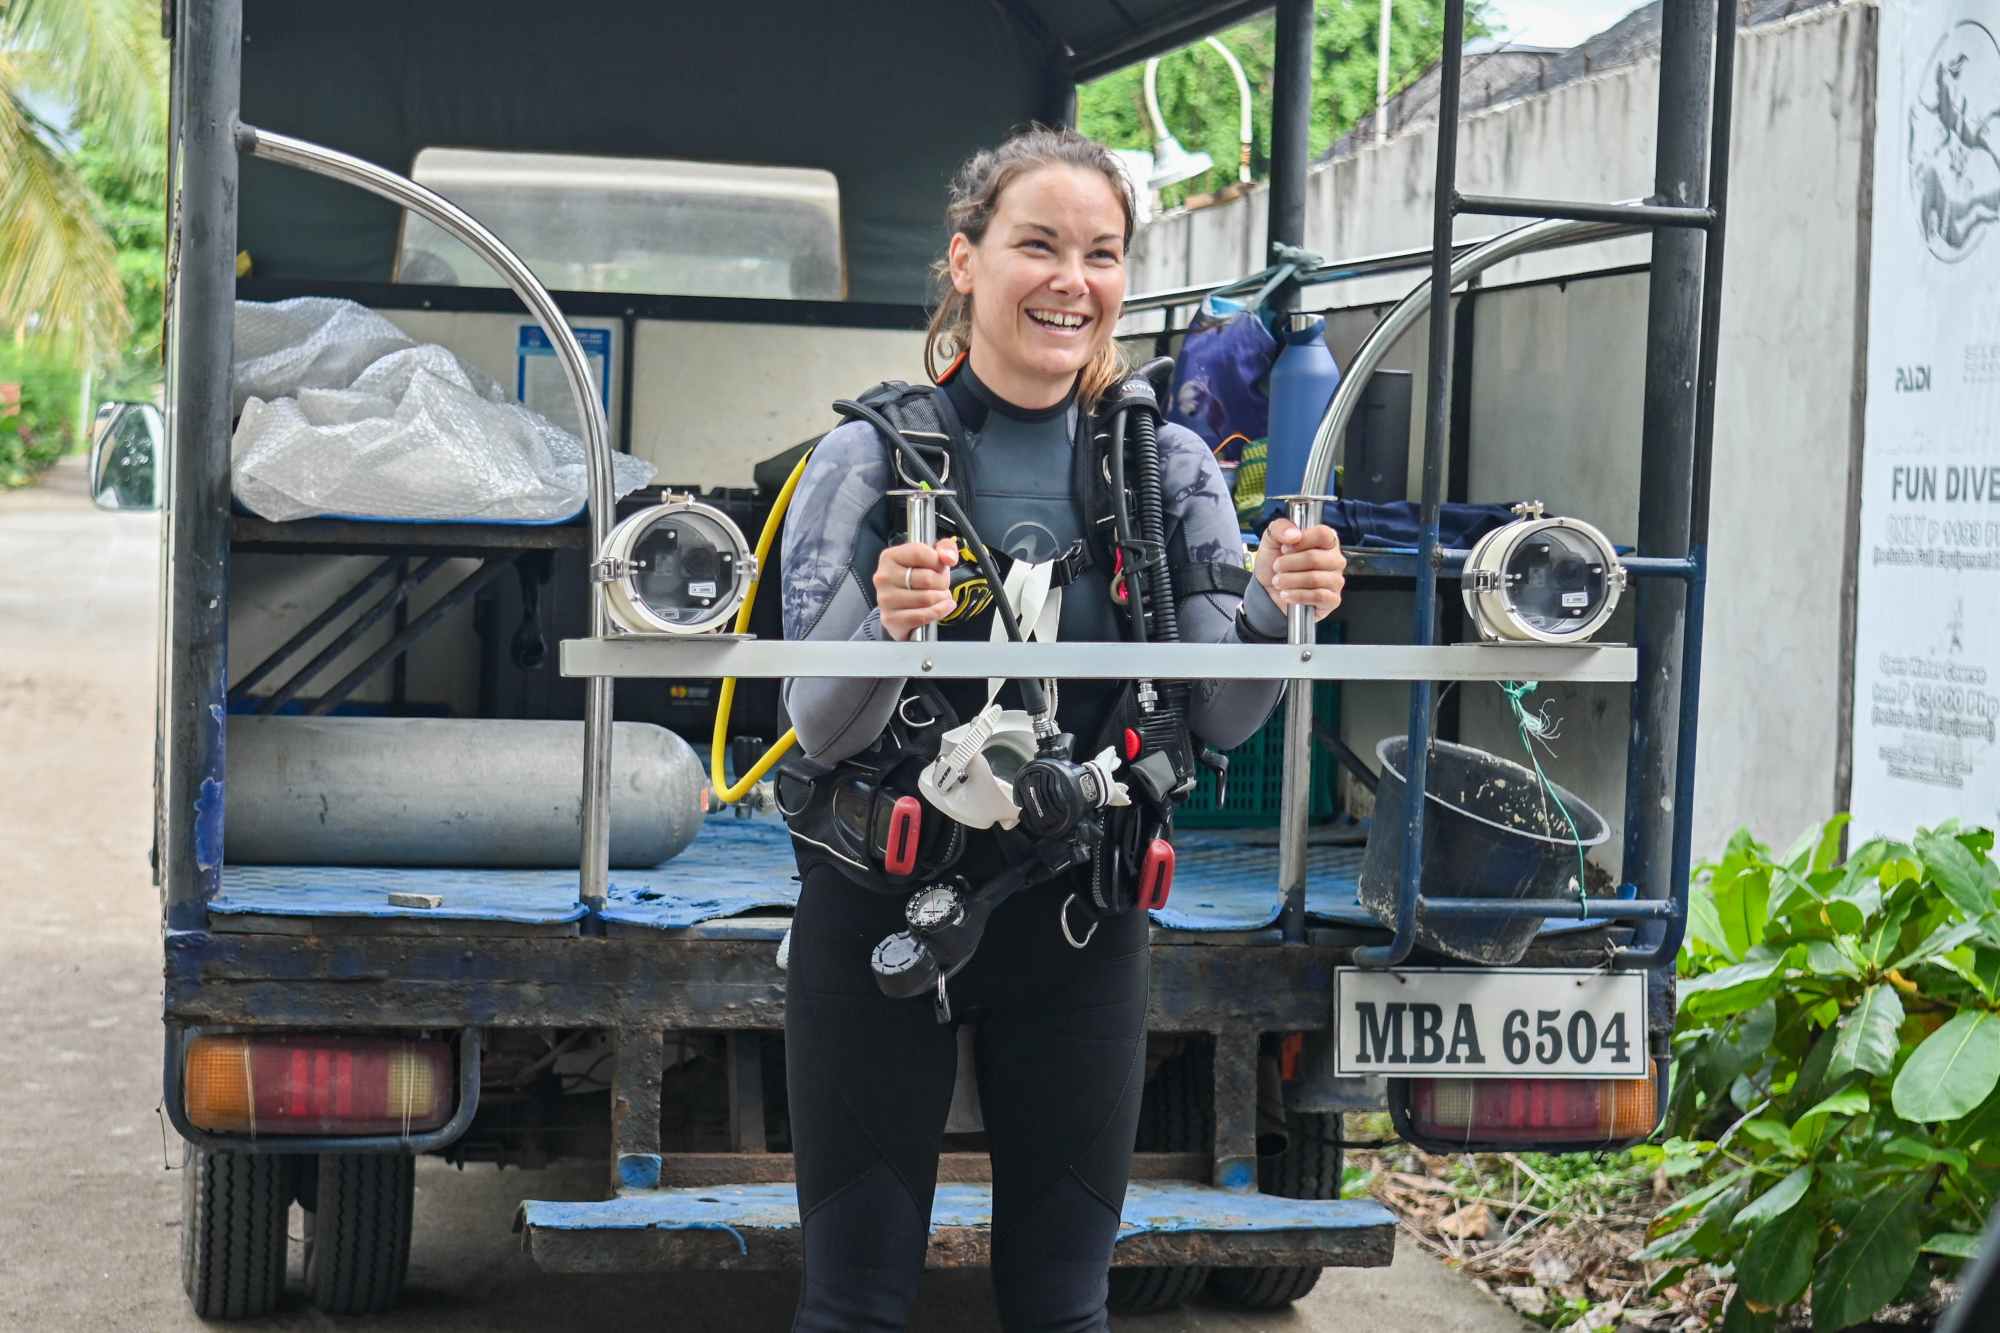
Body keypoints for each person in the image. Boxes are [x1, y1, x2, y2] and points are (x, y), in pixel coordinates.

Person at [777, 125, 1346, 1332]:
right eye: (1036, 244)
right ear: (965, 262)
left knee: (1063, 1308)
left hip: (1083, 922)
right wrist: (888, 627)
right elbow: (815, 731)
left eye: (1100, 253)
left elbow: (1221, 715)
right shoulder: (863, 458)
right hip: (881, 910)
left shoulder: (1170, 467)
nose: (1069, 280)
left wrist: (1274, 607)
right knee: (853, 1306)